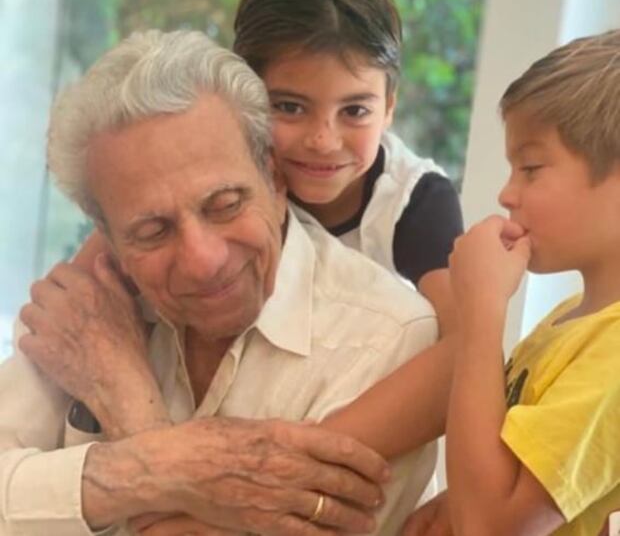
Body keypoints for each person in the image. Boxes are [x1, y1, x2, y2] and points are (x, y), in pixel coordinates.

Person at [2, 29, 446, 536]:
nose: (203, 261)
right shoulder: (86, 307)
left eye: (226, 205)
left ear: (274, 179)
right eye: (153, 231)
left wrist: (129, 408)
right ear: (109, 237)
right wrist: (153, 469)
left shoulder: (386, 339)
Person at [404, 30, 620, 535]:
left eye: (531, 168)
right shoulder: (569, 319)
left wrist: (481, 312)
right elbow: (509, 477)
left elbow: (491, 529)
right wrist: (456, 500)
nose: (507, 193)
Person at [233, 0, 463, 335]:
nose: (324, 141)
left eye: (354, 111)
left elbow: (463, 343)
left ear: (389, 107)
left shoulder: (415, 202)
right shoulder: (223, 174)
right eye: (289, 107)